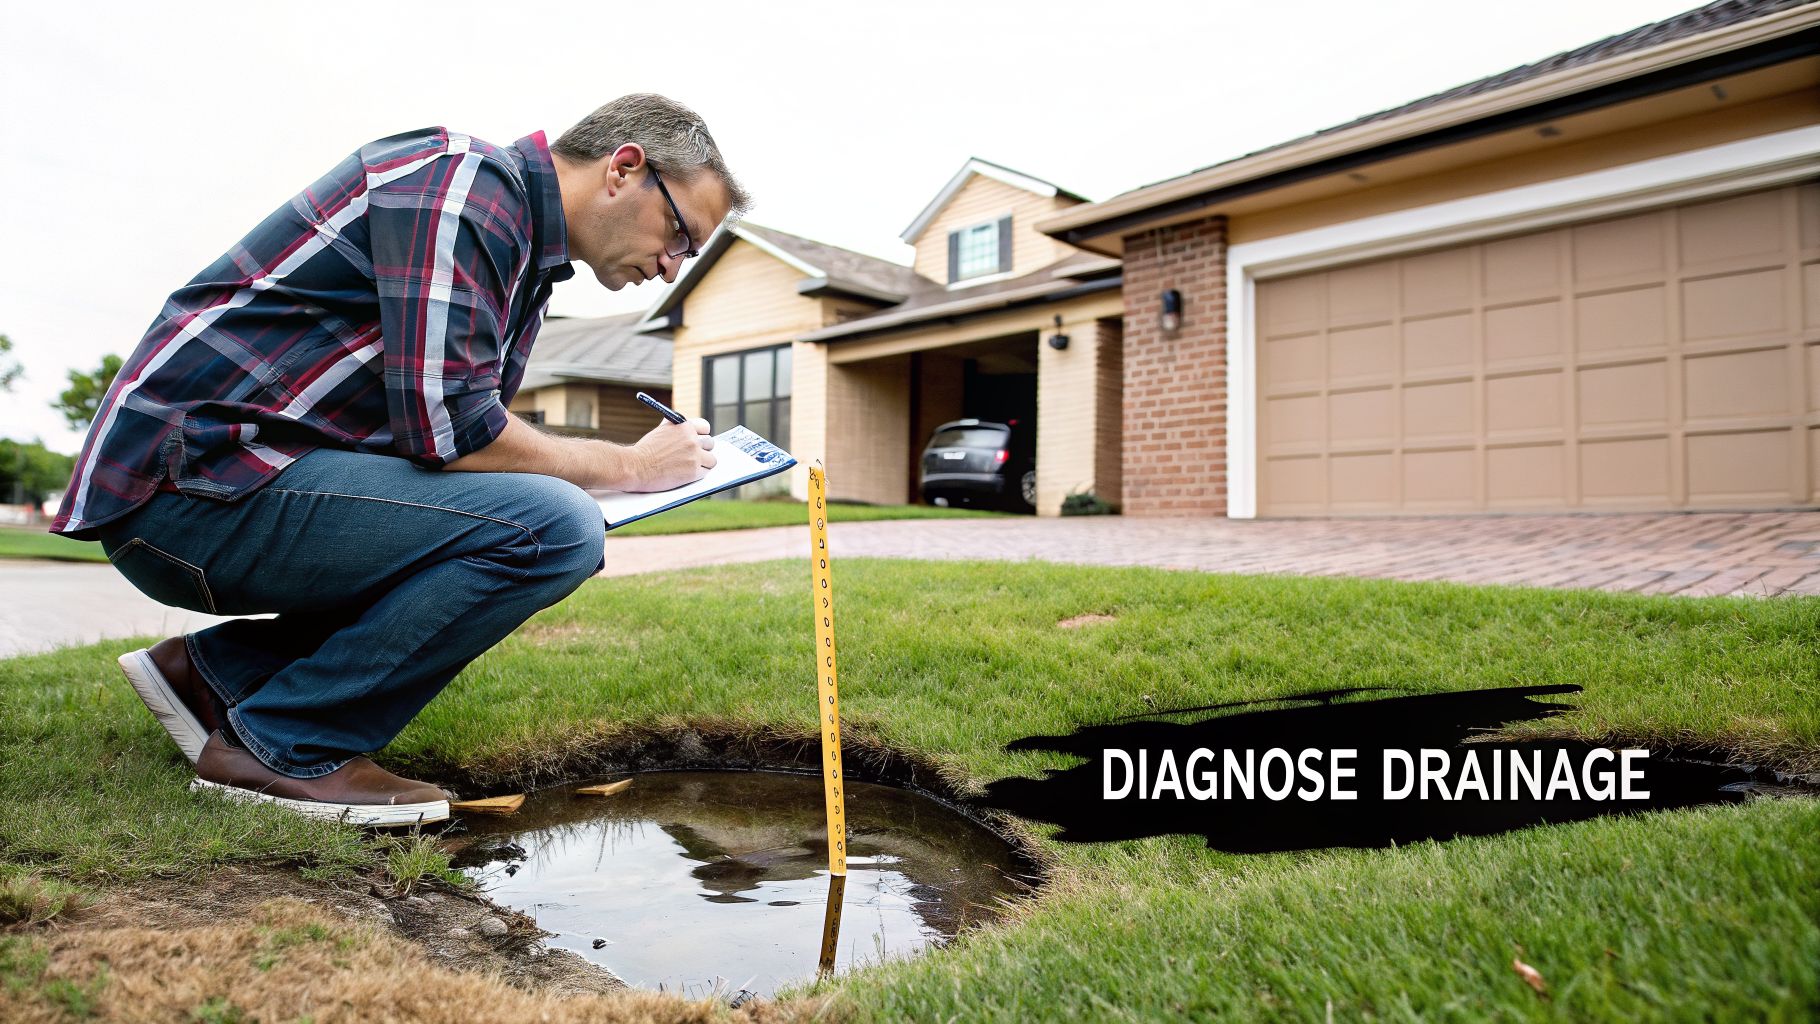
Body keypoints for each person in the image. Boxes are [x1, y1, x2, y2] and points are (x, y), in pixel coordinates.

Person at [48, 94, 751, 826]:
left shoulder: (523, 265)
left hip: (231, 486)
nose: (674, 267)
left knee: (529, 519)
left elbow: (455, 453)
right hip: (189, 489)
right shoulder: (467, 184)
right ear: (624, 169)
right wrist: (632, 469)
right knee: (558, 528)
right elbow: (454, 430)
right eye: (680, 233)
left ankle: (215, 677)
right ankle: (284, 746)